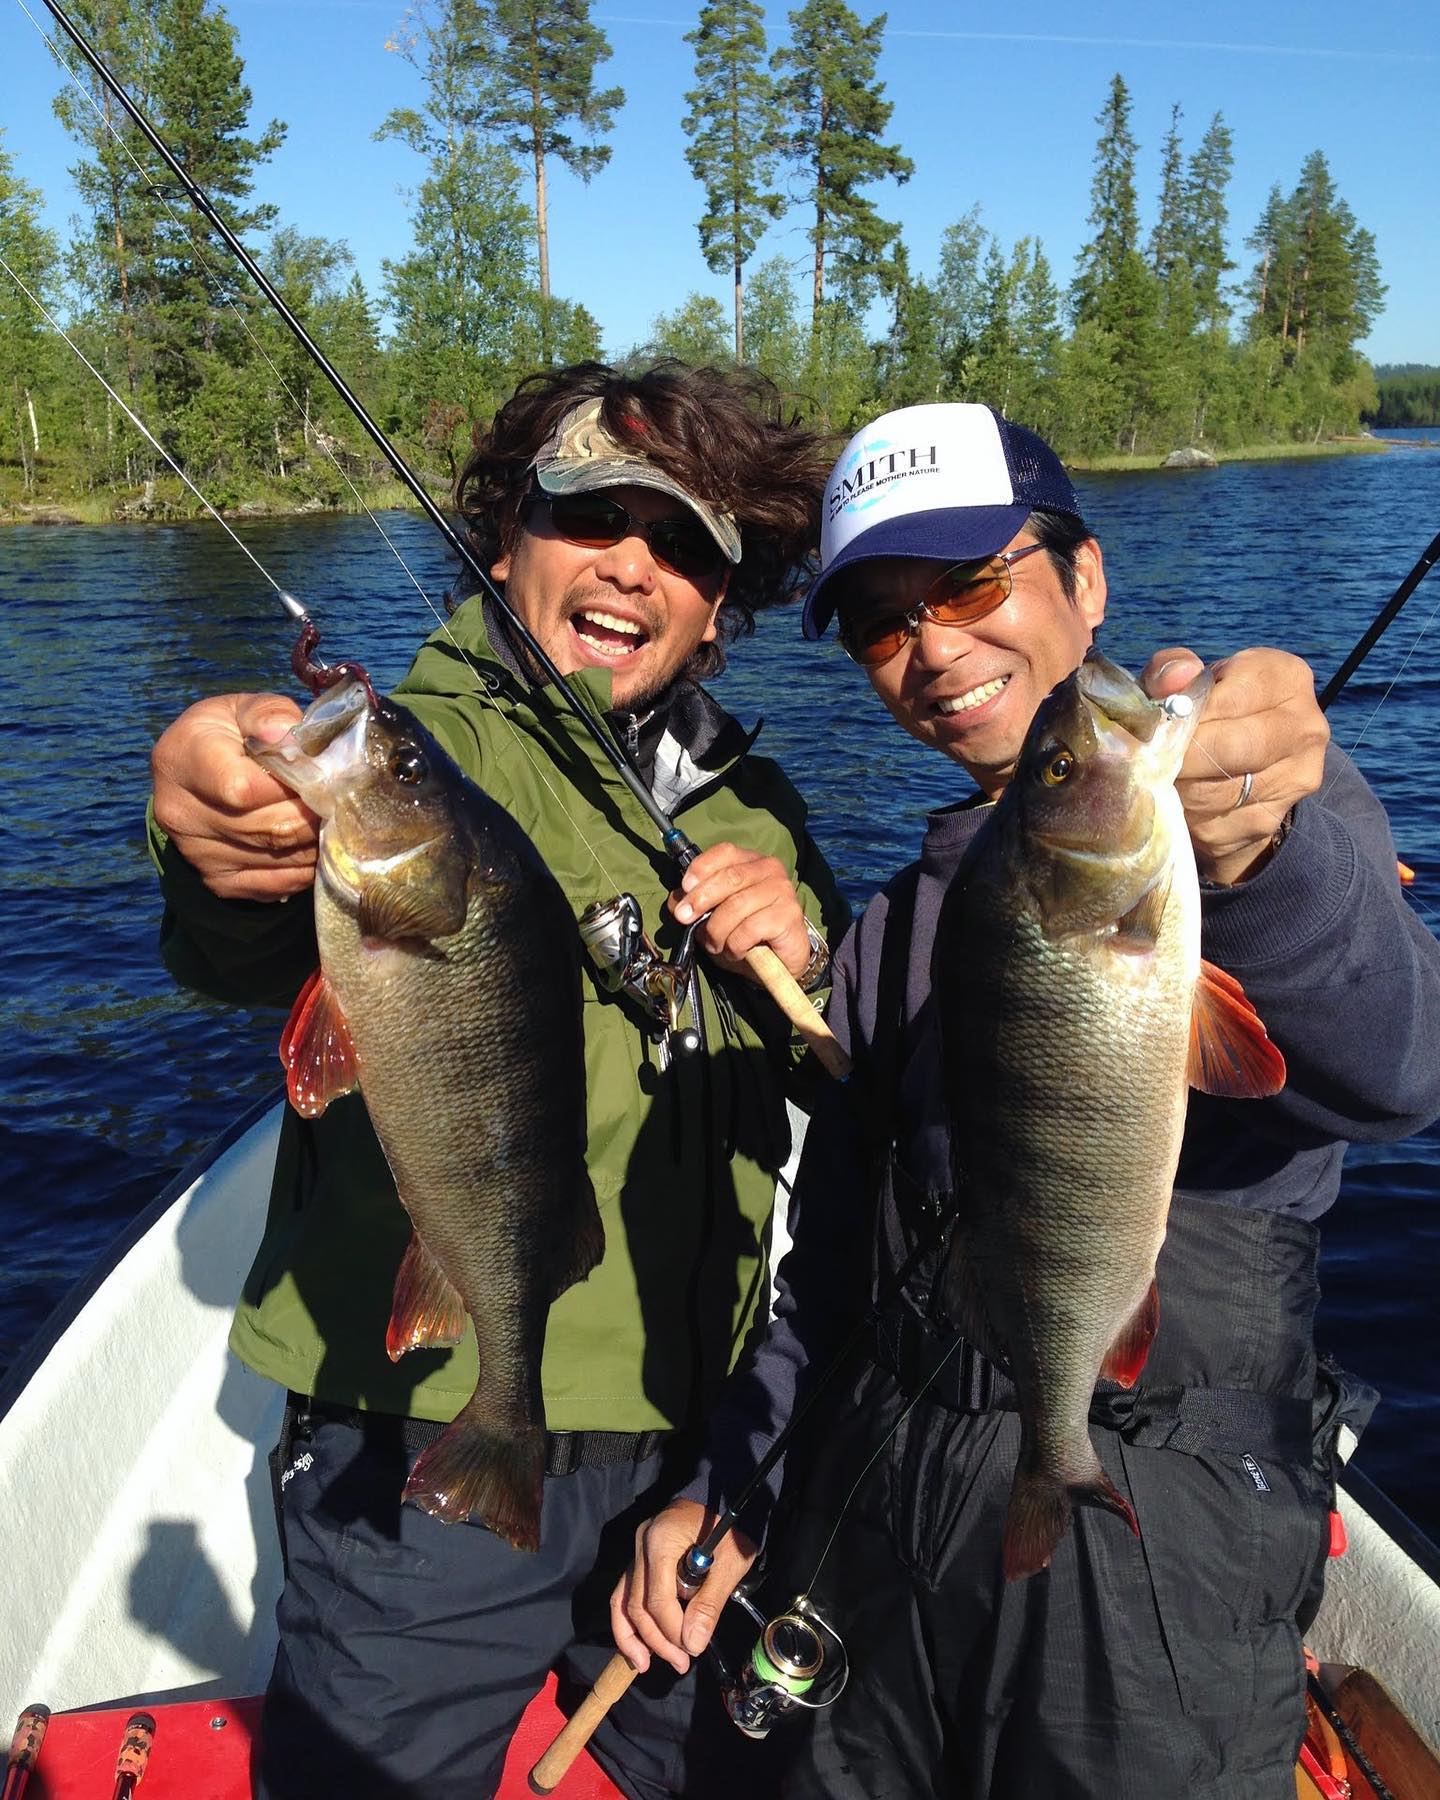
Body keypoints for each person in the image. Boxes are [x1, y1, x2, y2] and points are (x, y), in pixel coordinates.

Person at [613, 401, 1440, 1798]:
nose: (934, 648)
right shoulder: (888, 931)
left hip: (1153, 1556)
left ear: (1090, 581)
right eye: (883, 622)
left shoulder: (1242, 821)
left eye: (971, 583)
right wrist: (734, 1485)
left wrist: (1263, 865)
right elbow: (830, 1276)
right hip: (877, 1521)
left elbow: (1397, 1063)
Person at [147, 360, 849, 1800]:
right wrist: (217, 833)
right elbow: (242, 917)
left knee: (688, 1773)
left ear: (722, 605)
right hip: (436, 1425)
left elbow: (837, 1086)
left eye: (684, 546)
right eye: (590, 515)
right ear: (506, 537)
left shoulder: (758, 808)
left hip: (693, 1445)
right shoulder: (431, 749)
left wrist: (811, 966)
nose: (629, 566)